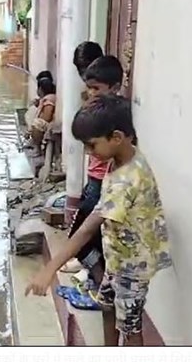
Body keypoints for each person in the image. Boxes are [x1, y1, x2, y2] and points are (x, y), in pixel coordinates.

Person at [26, 94, 172, 346]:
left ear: (116, 137)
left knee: (130, 326)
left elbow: (85, 231)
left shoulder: (127, 180)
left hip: (133, 267)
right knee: (107, 306)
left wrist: (50, 269)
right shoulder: (121, 156)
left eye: (91, 145)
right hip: (118, 258)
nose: (87, 153)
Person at [63, 55, 124, 292]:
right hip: (95, 182)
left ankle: (100, 282)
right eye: (88, 88)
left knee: (83, 238)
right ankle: (98, 279)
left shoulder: (114, 116)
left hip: (102, 184)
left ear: (115, 88)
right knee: (87, 238)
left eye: (96, 88)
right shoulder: (96, 110)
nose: (91, 93)